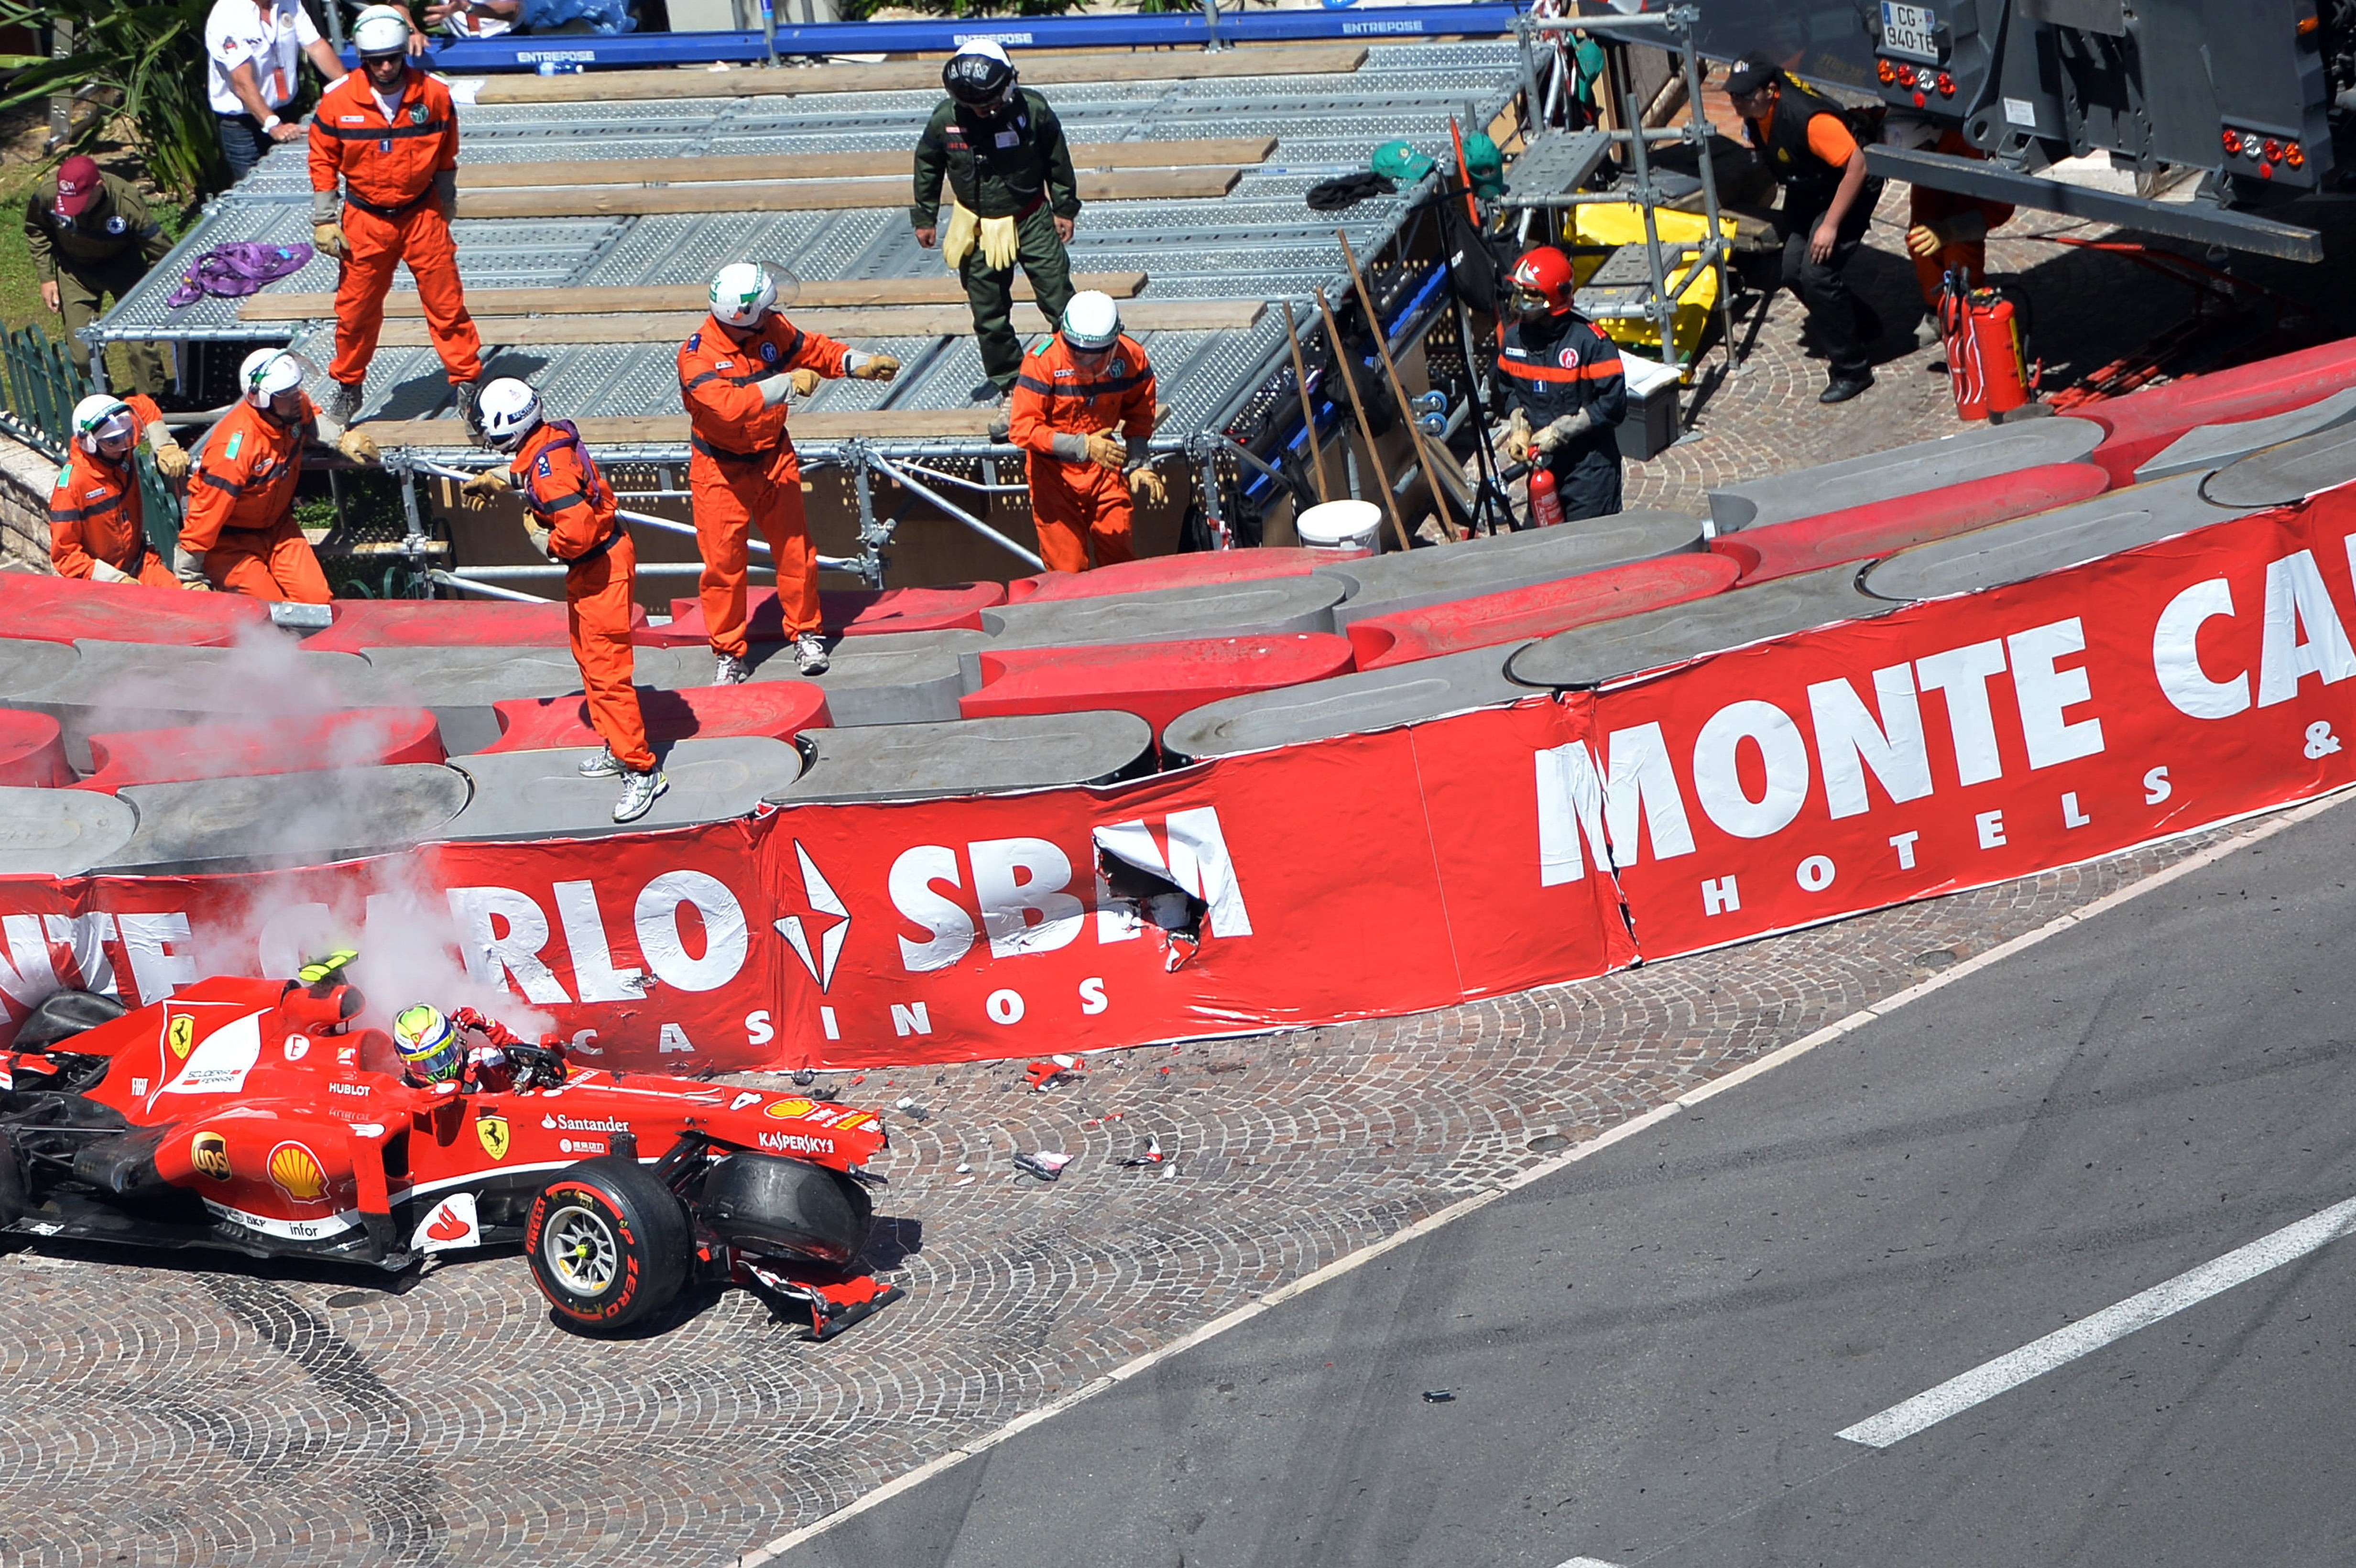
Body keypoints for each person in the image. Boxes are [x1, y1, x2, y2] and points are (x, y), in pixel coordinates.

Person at [677, 261, 898, 682]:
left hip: (774, 456)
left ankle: (806, 634)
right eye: (764, 308)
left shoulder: (768, 328)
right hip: (721, 470)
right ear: (740, 316)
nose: (772, 314)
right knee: (724, 565)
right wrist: (787, 384)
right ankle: (729, 653)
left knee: (797, 551)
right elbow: (728, 406)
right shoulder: (697, 356)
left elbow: (813, 350)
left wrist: (859, 363)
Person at [461, 378, 668, 823]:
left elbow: (576, 531)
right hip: (597, 563)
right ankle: (617, 744)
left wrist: (544, 541)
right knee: (588, 658)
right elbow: (538, 469)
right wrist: (500, 479)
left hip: (599, 564)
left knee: (608, 670)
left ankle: (641, 768)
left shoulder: (548, 472)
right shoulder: (548, 440)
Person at [307, 5, 485, 439]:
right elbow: (322, 157)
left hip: (421, 213)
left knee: (447, 306)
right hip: (366, 218)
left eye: (393, 57)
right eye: (376, 60)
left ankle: (467, 385)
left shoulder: (434, 96)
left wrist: (446, 203)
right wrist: (324, 217)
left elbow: (447, 154)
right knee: (355, 313)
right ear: (363, 59)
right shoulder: (338, 102)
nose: (386, 67)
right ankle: (349, 387)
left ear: (404, 52)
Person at [911, 40, 1081, 407]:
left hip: (1031, 216)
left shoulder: (1033, 111)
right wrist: (925, 216)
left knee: (1059, 299)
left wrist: (1064, 208)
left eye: (989, 104)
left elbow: (1058, 159)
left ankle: (1077, 374)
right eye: (975, 106)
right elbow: (927, 164)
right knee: (988, 313)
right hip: (976, 224)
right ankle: (1011, 386)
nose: (984, 112)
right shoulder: (946, 120)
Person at [1725, 52, 1885, 404]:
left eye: (1745, 95)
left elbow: (1857, 167)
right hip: (1810, 186)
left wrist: (1830, 225)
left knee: (1817, 273)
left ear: (1770, 91)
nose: (1737, 101)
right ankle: (1862, 325)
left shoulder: (1809, 120)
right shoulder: (1757, 117)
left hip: (1847, 186)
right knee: (1792, 269)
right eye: (1734, 94)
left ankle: (1853, 369)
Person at [179, 348, 372, 601]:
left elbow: (309, 417)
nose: (296, 396)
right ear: (260, 397)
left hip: (278, 528)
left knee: (317, 600)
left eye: (296, 388)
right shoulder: (234, 451)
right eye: (286, 393)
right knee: (270, 610)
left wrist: (340, 439)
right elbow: (208, 509)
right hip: (230, 543)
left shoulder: (289, 408)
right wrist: (188, 572)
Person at [1006, 291, 1163, 574]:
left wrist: (1140, 461)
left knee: (1120, 559)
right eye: (1077, 353)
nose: (1084, 363)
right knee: (1068, 569)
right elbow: (1023, 429)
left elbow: (1140, 412)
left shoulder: (1132, 358)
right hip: (1054, 478)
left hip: (1105, 469)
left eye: (1094, 357)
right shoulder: (1043, 362)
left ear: (1114, 345)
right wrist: (1083, 446)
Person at [1495, 246, 1627, 523]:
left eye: (1530, 294)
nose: (1521, 301)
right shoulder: (1514, 340)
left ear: (1554, 297)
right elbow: (1508, 389)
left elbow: (1613, 405)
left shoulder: (1590, 342)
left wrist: (1560, 432)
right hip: (1544, 465)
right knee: (1540, 544)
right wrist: (1519, 427)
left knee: (1589, 549)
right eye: (1519, 292)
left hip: (1590, 469)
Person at [24, 157, 172, 397]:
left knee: (140, 346)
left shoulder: (126, 202)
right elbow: (36, 229)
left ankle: (153, 405)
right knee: (82, 354)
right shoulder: (49, 193)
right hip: (76, 271)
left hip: (125, 269)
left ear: (99, 186)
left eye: (80, 201)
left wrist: (155, 290)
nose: (74, 209)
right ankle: (102, 404)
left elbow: (161, 250)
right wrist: (47, 277)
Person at [1890, 118, 2015, 347]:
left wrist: (1950, 231)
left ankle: (1969, 307)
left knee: (1962, 245)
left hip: (1967, 181)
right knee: (1920, 236)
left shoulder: (1977, 146)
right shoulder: (1910, 129)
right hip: (1933, 168)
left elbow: (1998, 208)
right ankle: (1936, 310)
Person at [50, 393, 194, 588]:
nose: (122, 446)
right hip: (102, 584)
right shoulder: (72, 487)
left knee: (185, 601)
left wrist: (165, 445)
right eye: (113, 442)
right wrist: (115, 579)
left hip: (141, 564)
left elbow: (142, 405)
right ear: (89, 443)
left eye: (127, 436)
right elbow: (65, 555)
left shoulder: (118, 455)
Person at [204, 0, 350, 183]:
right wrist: (273, 125)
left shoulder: (289, 3)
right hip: (245, 126)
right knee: (255, 192)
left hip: (286, 112)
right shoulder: (227, 14)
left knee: (298, 182)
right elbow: (241, 82)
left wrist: (352, 91)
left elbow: (316, 47)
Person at [392, 1002, 566, 1093]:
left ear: (456, 1041)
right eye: (426, 1063)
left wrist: (488, 1026)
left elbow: (527, 1058)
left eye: (444, 1054)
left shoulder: (479, 1062)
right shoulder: (402, 1093)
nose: (440, 1069)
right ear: (405, 1062)